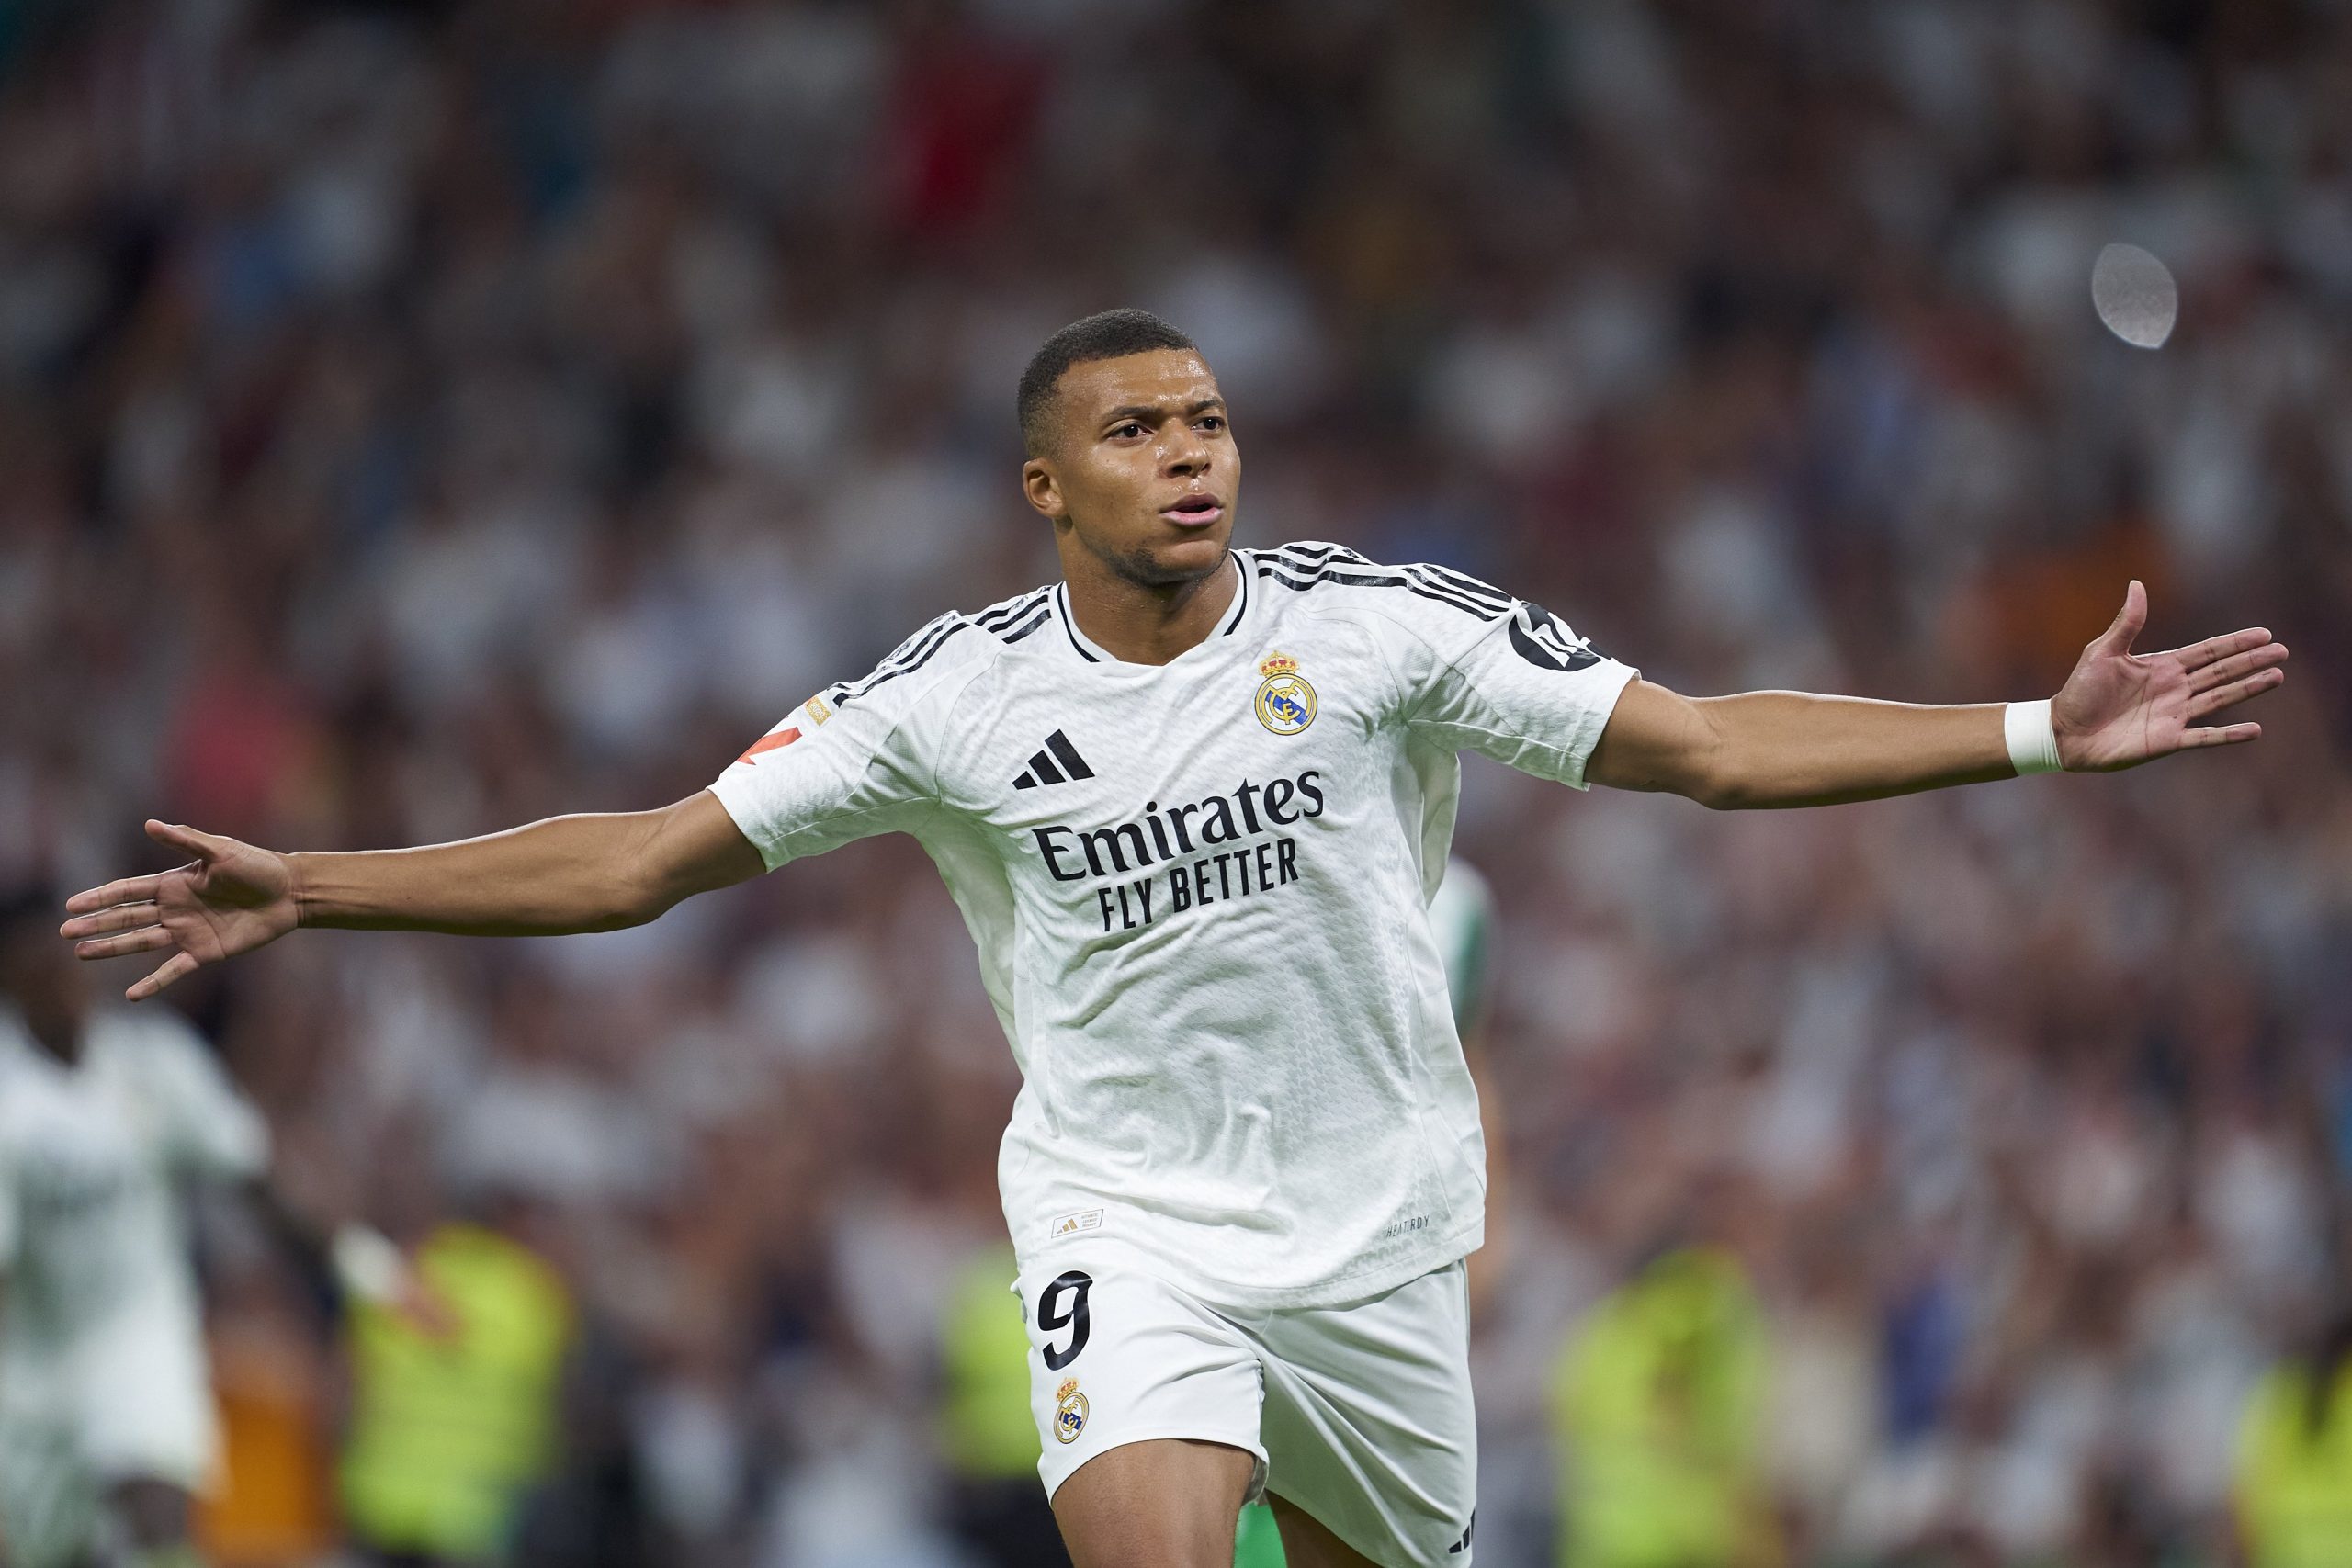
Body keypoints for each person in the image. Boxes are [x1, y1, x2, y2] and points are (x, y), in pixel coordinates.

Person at [59, 309, 2288, 1567]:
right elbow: (639, 856)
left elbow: (1701, 745)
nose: (1189, 454)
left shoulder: (1384, 629)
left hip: (1383, 1242)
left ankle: (1433, 1018)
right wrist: (318, 884)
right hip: (1132, 1226)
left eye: (1208, 420)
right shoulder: (946, 696)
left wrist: (2024, 732)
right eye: (1135, 431)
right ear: (1050, 490)